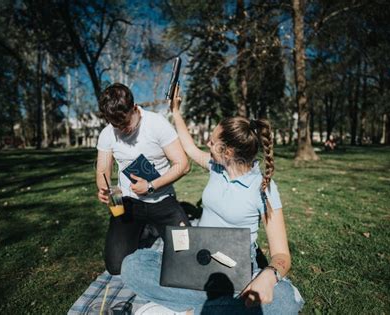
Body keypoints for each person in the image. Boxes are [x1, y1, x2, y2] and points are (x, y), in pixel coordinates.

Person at [120, 85, 304, 314]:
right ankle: (210, 309)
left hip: (236, 271)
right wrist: (176, 111)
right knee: (132, 267)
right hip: (198, 257)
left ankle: (189, 308)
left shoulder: (264, 188)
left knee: (284, 301)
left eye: (212, 141)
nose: (207, 144)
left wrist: (269, 276)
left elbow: (281, 254)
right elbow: (188, 147)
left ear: (226, 152)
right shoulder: (217, 167)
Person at [95, 83, 190, 275]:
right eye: (117, 126)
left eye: (126, 124)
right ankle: (146, 229)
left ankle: (152, 228)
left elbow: (183, 164)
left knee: (187, 258)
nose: (123, 130)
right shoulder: (107, 133)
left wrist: (151, 186)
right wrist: (103, 189)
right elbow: (103, 171)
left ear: (135, 107)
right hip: (129, 204)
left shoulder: (157, 124)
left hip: (162, 200)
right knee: (115, 267)